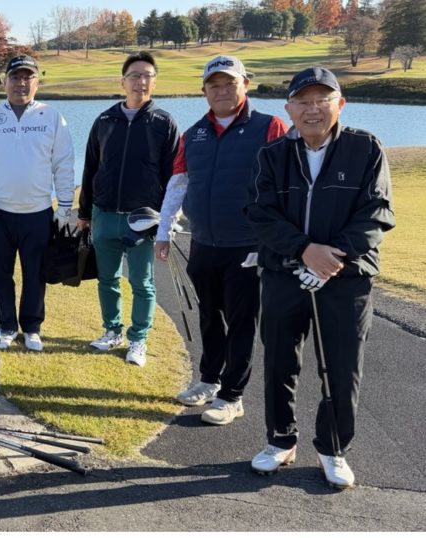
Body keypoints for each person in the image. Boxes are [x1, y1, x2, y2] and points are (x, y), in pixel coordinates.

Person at [246, 67, 394, 489]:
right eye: (303, 102)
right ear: (289, 108)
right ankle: (280, 439)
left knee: (341, 365)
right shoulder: (272, 155)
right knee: (279, 360)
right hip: (285, 272)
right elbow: (259, 213)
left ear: (339, 104)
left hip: (347, 278)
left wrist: (331, 258)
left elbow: (377, 213)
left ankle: (332, 448)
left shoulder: (365, 148)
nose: (312, 110)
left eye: (322, 100)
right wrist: (304, 250)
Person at [155, 55, 288, 425]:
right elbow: (178, 184)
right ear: (204, 91)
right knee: (209, 317)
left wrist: (276, 240)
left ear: (245, 84)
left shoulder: (270, 126)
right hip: (204, 243)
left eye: (230, 83)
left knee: (241, 320)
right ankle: (209, 379)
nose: (222, 90)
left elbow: (286, 184)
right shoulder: (193, 133)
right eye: (214, 85)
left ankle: (232, 395)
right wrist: (164, 231)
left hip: (248, 245)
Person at [0, 55, 75, 352]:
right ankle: (7, 326)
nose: (21, 83)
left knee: (35, 274)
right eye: (15, 77)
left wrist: (64, 206)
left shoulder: (51, 116)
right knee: (0, 275)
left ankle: (32, 328)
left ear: (37, 82)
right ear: (6, 82)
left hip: (38, 212)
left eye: (28, 77)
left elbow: (63, 163)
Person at [77, 52, 181, 367]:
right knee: (107, 278)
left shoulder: (164, 122)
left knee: (142, 283)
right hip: (104, 213)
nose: (141, 81)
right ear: (123, 81)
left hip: (143, 219)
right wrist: (84, 213)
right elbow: (90, 168)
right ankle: (112, 331)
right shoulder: (104, 120)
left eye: (147, 75)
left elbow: (174, 177)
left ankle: (138, 339)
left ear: (154, 82)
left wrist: (165, 219)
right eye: (135, 75)